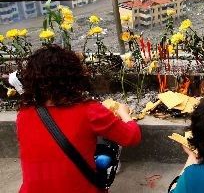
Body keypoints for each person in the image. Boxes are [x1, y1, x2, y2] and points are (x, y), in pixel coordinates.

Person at [16, 45, 141, 193]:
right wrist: (124, 112)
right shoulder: (89, 111)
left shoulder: (24, 114)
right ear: (74, 77)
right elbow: (132, 137)